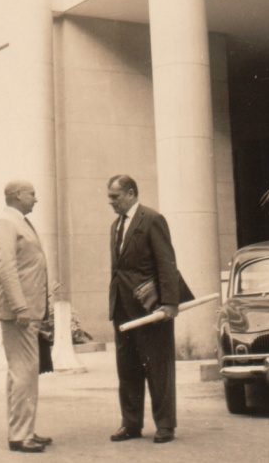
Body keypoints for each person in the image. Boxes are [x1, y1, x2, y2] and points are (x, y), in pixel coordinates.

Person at [106, 174, 180, 444]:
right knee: (127, 370)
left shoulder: (152, 220)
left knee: (158, 367)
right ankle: (131, 424)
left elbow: (166, 263)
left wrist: (170, 303)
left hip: (151, 309)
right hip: (123, 310)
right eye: (110, 197)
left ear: (130, 193)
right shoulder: (115, 227)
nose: (111, 202)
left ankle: (165, 425)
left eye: (115, 196)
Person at [0, 180, 53, 453]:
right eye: (32, 194)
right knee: (23, 372)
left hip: (28, 310)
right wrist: (20, 307)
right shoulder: (6, 222)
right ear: (18, 195)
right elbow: (5, 267)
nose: (35, 200)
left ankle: (24, 430)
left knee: (24, 372)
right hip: (20, 314)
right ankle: (20, 435)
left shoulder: (20, 222)